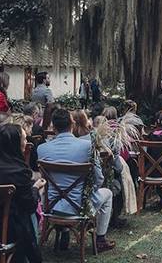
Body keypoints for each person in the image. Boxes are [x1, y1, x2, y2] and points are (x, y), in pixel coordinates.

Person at [37, 108, 116, 253]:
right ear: (72, 125)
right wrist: (90, 191)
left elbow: (43, 180)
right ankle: (100, 239)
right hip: (80, 206)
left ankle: (64, 232)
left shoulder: (42, 149)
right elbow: (99, 178)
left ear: (53, 127)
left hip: (52, 206)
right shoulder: (87, 146)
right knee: (108, 194)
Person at [0, 123, 45, 263]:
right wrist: (36, 188)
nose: (26, 142)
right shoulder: (19, 171)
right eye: (24, 139)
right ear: (14, 143)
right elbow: (29, 205)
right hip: (5, 232)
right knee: (28, 215)